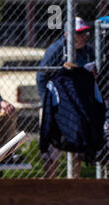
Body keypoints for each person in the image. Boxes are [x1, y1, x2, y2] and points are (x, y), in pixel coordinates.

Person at [37, 16, 95, 178]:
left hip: (79, 107)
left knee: (77, 148)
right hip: (57, 105)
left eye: (84, 33)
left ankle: (73, 186)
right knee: (51, 152)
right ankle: (50, 188)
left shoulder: (88, 51)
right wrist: (47, 104)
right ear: (68, 35)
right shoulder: (56, 50)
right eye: (79, 33)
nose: (84, 36)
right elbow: (41, 77)